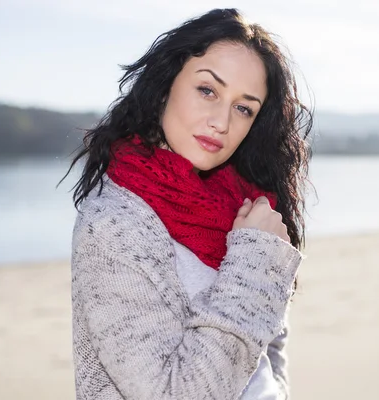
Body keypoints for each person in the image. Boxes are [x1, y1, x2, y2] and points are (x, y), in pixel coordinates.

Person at [65, 7, 312, 400]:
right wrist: (255, 257)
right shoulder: (114, 223)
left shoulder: (248, 203)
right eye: (208, 90)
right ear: (166, 85)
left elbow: (269, 343)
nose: (221, 121)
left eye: (243, 107)